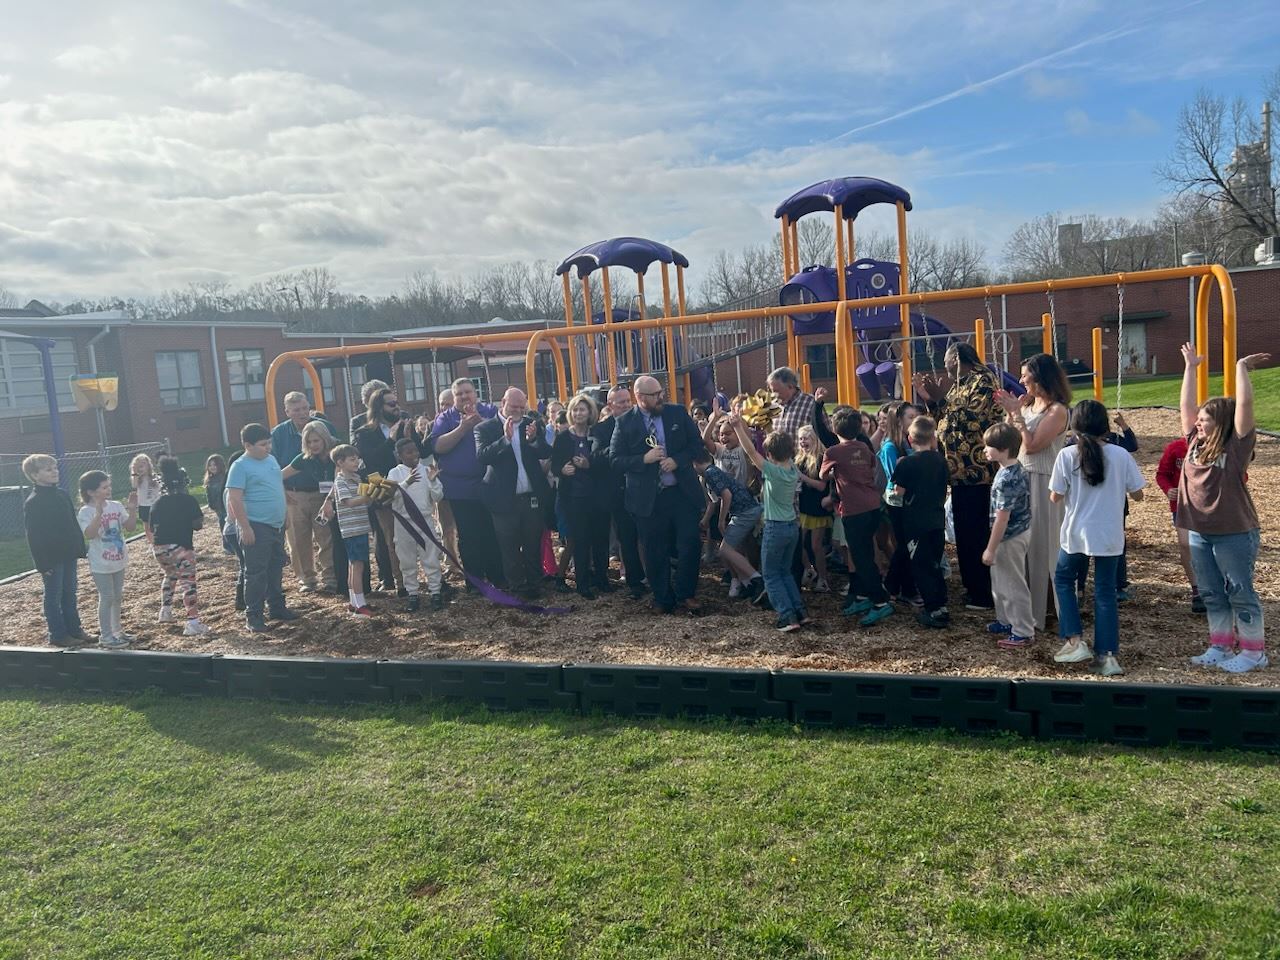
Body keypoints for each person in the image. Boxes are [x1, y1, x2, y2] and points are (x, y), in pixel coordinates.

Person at [1178, 344, 1270, 673]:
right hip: (1201, 532)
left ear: (1222, 423)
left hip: (1234, 533)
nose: (1198, 423)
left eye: (1205, 420)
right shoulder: (1193, 443)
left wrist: (1241, 368)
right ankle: (1220, 645)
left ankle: (1253, 651)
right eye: (1198, 419)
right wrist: (1190, 367)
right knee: (1212, 593)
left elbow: (1244, 406)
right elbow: (1186, 406)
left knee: (1240, 592)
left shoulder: (1236, 448)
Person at [1049, 400, 1146, 677]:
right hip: (1109, 534)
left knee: (1065, 580)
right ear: (1105, 426)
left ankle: (1074, 640)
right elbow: (1138, 493)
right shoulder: (1120, 454)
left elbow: (1055, 496)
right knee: (1105, 592)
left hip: (1076, 532)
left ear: (1074, 426)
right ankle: (1108, 656)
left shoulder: (1067, 455)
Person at [914, 343, 1000, 610]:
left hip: (977, 471)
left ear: (957, 358)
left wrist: (941, 398)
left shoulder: (982, 379)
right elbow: (944, 419)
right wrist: (930, 400)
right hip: (959, 472)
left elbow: (974, 419)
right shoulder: (959, 383)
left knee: (975, 533)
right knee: (964, 533)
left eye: (946, 359)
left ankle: (984, 593)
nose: (945, 366)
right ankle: (972, 588)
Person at [609, 375, 705, 616]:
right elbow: (615, 460)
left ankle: (686, 593)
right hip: (648, 499)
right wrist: (643, 459)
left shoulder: (677, 413)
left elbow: (696, 444)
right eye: (655, 395)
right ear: (640, 397)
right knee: (654, 549)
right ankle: (663, 597)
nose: (661, 397)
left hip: (681, 494)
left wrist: (678, 460)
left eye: (661, 392)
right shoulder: (624, 422)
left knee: (690, 543)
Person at [996, 354, 1070, 631]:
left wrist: (1017, 415)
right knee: (1021, 545)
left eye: (1025, 374)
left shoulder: (1057, 411)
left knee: (1044, 545)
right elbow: (1011, 439)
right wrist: (1012, 411)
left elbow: (1034, 445)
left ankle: (1049, 610)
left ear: (1040, 377)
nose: (1022, 379)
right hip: (1022, 479)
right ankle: (1024, 609)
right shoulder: (1029, 404)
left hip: (1044, 481)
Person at [476, 387, 554, 600]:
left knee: (532, 545)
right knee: (509, 547)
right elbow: (482, 456)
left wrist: (534, 440)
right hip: (503, 498)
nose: (519, 411)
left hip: (531, 496)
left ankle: (535, 586)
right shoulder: (485, 428)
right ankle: (517, 589)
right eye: (514, 406)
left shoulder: (532, 424)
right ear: (503, 403)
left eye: (522, 407)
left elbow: (546, 451)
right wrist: (505, 440)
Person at [731, 414, 807, 631]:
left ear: (771, 455)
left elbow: (751, 452)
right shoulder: (792, 469)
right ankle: (800, 612)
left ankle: (787, 616)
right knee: (785, 572)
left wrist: (738, 427)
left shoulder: (773, 472)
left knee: (771, 575)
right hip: (792, 526)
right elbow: (773, 447)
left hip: (775, 527)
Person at [822, 408, 892, 627]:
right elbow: (872, 467)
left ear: (834, 429)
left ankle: (881, 602)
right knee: (868, 552)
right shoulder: (864, 446)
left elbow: (823, 475)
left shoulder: (833, 452)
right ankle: (865, 596)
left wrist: (836, 473)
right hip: (873, 506)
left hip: (853, 510)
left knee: (861, 559)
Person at [354, 387, 429, 595]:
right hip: (383, 489)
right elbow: (369, 460)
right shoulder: (364, 433)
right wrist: (390, 440)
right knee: (393, 538)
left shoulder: (406, 425)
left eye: (397, 403)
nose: (397, 408)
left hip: (413, 487)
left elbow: (420, 453)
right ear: (378, 408)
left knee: (421, 532)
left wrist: (412, 437)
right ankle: (402, 583)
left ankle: (430, 578)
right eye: (391, 404)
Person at [225, 423, 298, 634]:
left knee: (276, 567)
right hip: (256, 524)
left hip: (276, 524)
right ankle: (254, 615)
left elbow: (277, 485)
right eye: (263, 444)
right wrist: (245, 526)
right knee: (256, 572)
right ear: (248, 445)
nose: (268, 447)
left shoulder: (271, 460)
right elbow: (234, 499)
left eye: (269, 443)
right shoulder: (240, 466)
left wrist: (284, 514)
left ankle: (276, 606)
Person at [433, 377, 504, 587]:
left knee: (491, 532)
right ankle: (474, 581)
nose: (464, 396)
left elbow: (503, 436)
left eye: (467, 392)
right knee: (468, 536)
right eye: (459, 394)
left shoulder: (490, 411)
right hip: (460, 489)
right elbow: (437, 446)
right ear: (454, 397)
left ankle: (498, 577)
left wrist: (479, 421)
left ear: (475, 393)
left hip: (490, 484)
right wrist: (463, 428)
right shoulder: (445, 418)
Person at [272, 390, 339, 594]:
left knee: (325, 536)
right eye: (296, 410)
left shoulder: (323, 427)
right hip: (294, 494)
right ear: (287, 412)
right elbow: (274, 466)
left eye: (304, 408)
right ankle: (307, 579)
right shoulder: (280, 433)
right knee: (298, 538)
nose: (302, 413)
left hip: (322, 492)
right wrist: (282, 492)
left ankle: (330, 577)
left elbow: (337, 455)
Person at [23, 454, 92, 647]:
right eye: (48, 469)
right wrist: (42, 564)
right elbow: (34, 535)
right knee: (53, 595)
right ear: (35, 475)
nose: (54, 472)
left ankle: (74, 629)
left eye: (55, 468)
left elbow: (72, 523)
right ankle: (58, 634)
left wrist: (79, 546)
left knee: (70, 592)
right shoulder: (34, 501)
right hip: (52, 558)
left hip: (68, 553)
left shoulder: (62, 494)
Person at [891, 417, 951, 630]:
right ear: (932, 437)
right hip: (936, 519)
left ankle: (933, 609)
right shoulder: (941, 460)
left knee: (921, 566)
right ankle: (941, 604)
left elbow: (899, 491)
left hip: (916, 522)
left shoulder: (907, 463)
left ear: (909, 438)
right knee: (934, 563)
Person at [551, 393, 613, 599]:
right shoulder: (562, 437)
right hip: (573, 498)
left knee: (600, 539)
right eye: (575, 409)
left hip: (597, 496)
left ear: (590, 413)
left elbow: (605, 460)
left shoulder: (597, 434)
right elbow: (554, 465)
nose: (578, 413)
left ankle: (602, 580)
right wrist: (562, 470)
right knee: (580, 540)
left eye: (583, 409)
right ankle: (583, 583)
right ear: (571, 413)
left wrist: (589, 465)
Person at [981, 422, 1034, 648]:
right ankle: (1005, 619)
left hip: (1010, 535)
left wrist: (990, 548)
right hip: (1015, 532)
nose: (985, 450)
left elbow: (1003, 516)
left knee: (1013, 583)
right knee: (1000, 580)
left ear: (1003, 449)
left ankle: (1023, 630)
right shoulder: (1012, 469)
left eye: (989, 446)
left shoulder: (1007, 479)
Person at [593, 385, 646, 599]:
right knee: (627, 537)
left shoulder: (642, 421)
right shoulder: (602, 429)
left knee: (648, 535)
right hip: (618, 491)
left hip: (643, 487)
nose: (625, 405)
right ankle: (635, 582)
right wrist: (617, 450)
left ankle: (654, 574)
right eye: (620, 402)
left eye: (627, 400)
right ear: (610, 405)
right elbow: (595, 457)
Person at [147, 455, 209, 637]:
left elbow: (151, 527)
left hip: (159, 548)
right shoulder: (189, 500)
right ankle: (193, 622)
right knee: (188, 582)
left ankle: (165, 611)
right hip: (181, 546)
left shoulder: (157, 503)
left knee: (170, 575)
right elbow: (198, 525)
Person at [78, 469, 137, 648]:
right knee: (107, 596)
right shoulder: (85, 512)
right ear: (90, 492)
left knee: (117, 596)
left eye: (108, 486)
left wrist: (132, 510)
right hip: (101, 563)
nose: (108, 490)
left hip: (118, 559)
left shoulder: (116, 505)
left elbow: (131, 527)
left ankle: (117, 631)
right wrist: (98, 514)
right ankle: (106, 635)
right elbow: (90, 534)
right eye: (104, 487)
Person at [694, 448, 763, 601]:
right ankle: (747, 583)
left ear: (695, 463)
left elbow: (726, 495)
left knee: (725, 550)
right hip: (743, 511)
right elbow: (714, 502)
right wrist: (705, 521)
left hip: (745, 511)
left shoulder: (711, 473)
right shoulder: (711, 472)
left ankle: (757, 579)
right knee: (728, 550)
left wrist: (721, 520)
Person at [388, 437, 446, 612]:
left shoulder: (427, 470)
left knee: (431, 558)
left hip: (425, 521)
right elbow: (391, 496)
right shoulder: (394, 473)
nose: (414, 454)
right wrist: (407, 482)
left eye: (415, 450)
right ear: (400, 455)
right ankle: (412, 594)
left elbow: (438, 497)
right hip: (403, 523)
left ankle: (435, 591)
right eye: (409, 452)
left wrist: (434, 480)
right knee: (407, 560)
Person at [1155, 434, 1204, 613]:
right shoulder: (1176, 448)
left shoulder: (1217, 449)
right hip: (1182, 505)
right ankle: (1197, 589)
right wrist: (1168, 490)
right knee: (1185, 544)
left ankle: (1217, 586)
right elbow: (1162, 474)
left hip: (1209, 507)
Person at [878, 400, 916, 605]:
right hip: (896, 502)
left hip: (908, 500)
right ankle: (899, 586)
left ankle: (897, 586)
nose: (914, 420)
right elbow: (895, 477)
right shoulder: (890, 447)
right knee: (903, 545)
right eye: (910, 417)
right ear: (899, 422)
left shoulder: (907, 443)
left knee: (905, 546)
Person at [332, 443, 375, 617]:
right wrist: (367, 497)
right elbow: (348, 502)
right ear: (340, 462)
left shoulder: (357, 478)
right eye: (351, 459)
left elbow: (365, 501)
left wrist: (372, 495)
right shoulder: (341, 480)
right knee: (358, 566)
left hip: (361, 526)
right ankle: (360, 605)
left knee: (354, 566)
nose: (356, 462)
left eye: (357, 458)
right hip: (352, 529)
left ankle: (354, 602)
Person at [795, 424, 833, 593]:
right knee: (798, 542)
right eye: (801, 438)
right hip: (803, 507)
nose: (803, 442)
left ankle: (823, 579)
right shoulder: (799, 458)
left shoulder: (820, 458)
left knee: (816, 545)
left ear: (814, 440)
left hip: (817, 508)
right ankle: (809, 568)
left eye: (806, 438)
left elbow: (820, 486)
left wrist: (802, 478)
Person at [768, 366, 817, 441]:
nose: (774, 395)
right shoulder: (772, 406)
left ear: (790, 386)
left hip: (803, 452)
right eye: (772, 391)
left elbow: (826, 434)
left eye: (776, 391)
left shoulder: (811, 404)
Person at [131, 453, 159, 542]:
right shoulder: (138, 479)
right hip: (144, 505)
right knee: (147, 526)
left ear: (148, 465)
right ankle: (152, 542)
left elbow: (159, 489)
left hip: (155, 505)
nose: (141, 468)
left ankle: (160, 539)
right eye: (138, 466)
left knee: (157, 524)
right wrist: (135, 473)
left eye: (143, 465)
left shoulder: (154, 477)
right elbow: (134, 485)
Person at [204, 454, 228, 531]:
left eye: (214, 465)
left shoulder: (225, 477)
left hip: (227, 507)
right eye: (210, 465)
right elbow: (209, 495)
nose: (212, 467)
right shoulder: (209, 480)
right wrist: (212, 505)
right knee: (223, 527)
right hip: (219, 509)